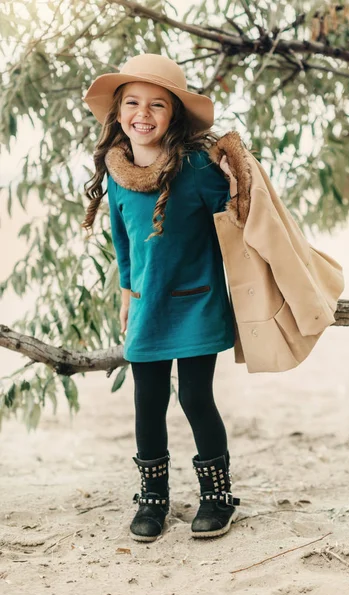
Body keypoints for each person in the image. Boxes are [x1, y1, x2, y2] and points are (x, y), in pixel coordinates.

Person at [81, 53, 241, 543]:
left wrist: (237, 175)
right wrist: (128, 291)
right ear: (118, 113)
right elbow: (123, 239)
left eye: (157, 105)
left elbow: (239, 218)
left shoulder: (196, 169)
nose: (142, 113)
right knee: (147, 401)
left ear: (173, 117)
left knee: (195, 397)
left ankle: (217, 496)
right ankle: (153, 499)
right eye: (132, 102)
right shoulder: (117, 170)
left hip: (197, 300)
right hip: (149, 304)